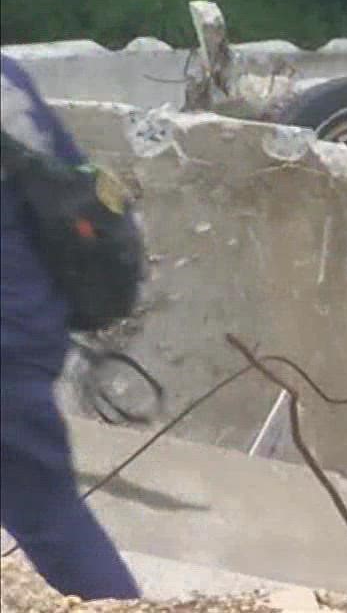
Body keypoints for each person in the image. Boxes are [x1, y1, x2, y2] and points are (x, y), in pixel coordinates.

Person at [1, 54, 140, 600]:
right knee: (52, 518)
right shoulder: (7, 82)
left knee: (50, 518)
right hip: (27, 331)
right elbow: (79, 188)